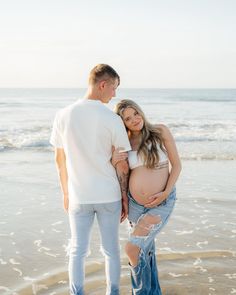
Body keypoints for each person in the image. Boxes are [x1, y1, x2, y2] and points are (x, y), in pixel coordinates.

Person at [50, 64, 131, 295]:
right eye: (114, 88)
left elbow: (59, 160)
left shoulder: (63, 115)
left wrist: (65, 193)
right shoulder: (111, 118)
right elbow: (122, 164)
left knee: (77, 250)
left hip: (79, 196)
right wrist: (125, 197)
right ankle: (113, 293)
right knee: (111, 251)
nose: (114, 94)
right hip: (108, 195)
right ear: (102, 85)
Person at [112, 99, 181, 295]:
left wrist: (166, 193)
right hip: (135, 206)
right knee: (145, 251)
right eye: (127, 118)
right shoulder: (123, 143)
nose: (134, 119)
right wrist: (113, 160)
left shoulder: (159, 131)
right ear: (122, 123)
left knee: (132, 248)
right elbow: (121, 175)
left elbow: (176, 165)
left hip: (162, 202)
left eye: (136, 114)